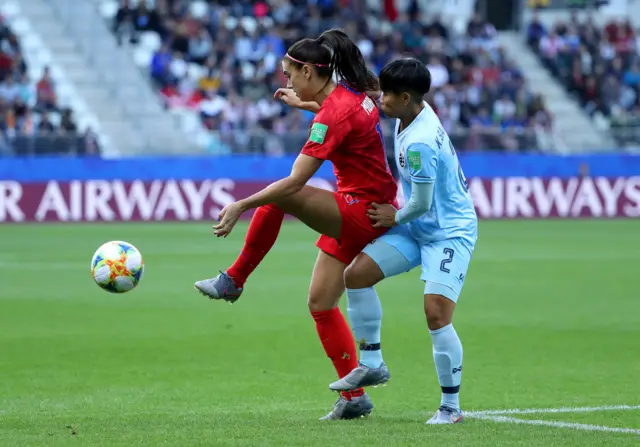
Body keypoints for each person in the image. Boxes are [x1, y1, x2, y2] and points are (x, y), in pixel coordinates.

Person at [194, 29, 398, 420]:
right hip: (368, 205)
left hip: (362, 211)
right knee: (321, 304)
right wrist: (305, 106)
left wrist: (241, 205)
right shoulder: (352, 94)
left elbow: (295, 181)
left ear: (307, 71)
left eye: (289, 73)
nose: (286, 80)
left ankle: (235, 279)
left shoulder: (332, 116)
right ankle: (354, 399)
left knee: (282, 194)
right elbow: (346, 118)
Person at [326, 58, 478, 424]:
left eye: (388, 95)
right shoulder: (412, 112)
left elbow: (422, 203)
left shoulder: (420, 142)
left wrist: (394, 216)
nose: (380, 100)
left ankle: (450, 407)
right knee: (356, 275)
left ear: (406, 97)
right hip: (419, 227)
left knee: (436, 314)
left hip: (447, 232)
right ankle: (373, 362)